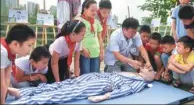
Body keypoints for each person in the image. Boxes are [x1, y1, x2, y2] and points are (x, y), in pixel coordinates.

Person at [9, 68, 156, 104]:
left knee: (69, 92)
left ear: (149, 78)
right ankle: (22, 93)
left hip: (104, 83)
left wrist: (104, 97)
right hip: (97, 76)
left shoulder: (140, 83)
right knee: (64, 84)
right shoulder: (132, 73)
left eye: (150, 71)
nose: (147, 68)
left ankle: (26, 101)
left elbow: (125, 90)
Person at [1, 24, 36, 104]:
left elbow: (6, 78)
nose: (30, 49)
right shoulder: (2, 52)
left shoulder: (11, 53)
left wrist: (7, 89)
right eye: (29, 45)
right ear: (15, 44)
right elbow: (2, 82)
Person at [75, 0, 104, 75]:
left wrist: (101, 52)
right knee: (85, 75)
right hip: (84, 53)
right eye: (92, 10)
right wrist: (82, 49)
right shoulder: (78, 21)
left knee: (95, 75)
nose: (94, 13)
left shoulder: (96, 22)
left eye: (96, 10)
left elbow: (99, 37)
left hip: (96, 53)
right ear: (85, 9)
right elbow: (75, 38)